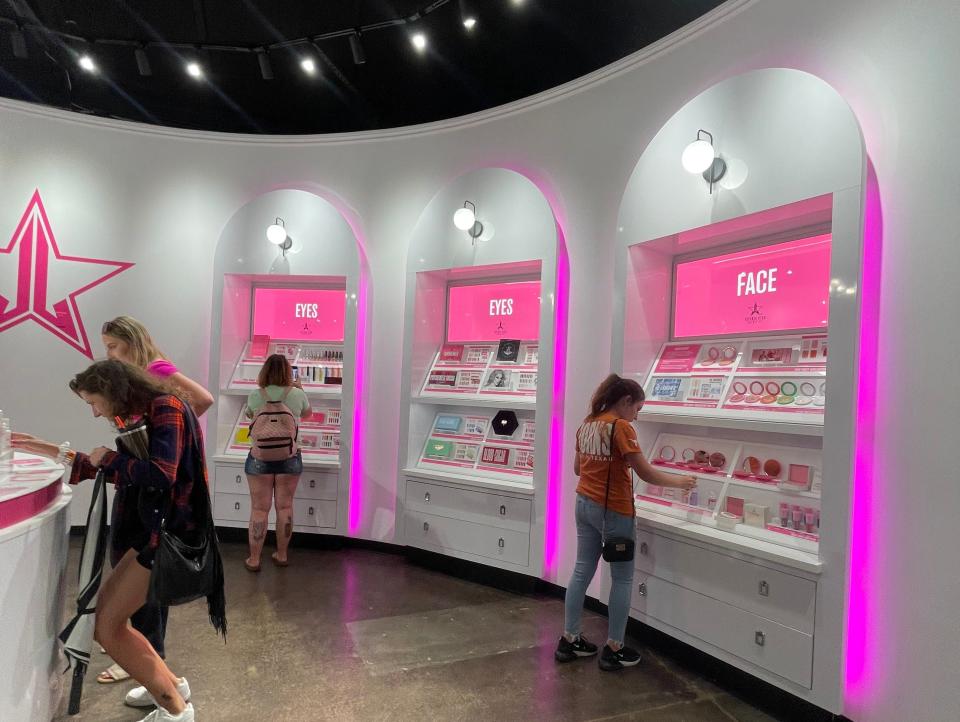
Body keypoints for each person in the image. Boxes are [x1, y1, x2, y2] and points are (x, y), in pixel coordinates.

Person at [13, 360, 221, 721]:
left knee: (107, 626)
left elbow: (159, 474)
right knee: (109, 621)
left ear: (114, 391)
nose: (95, 413)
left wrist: (108, 458)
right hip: (156, 532)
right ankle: (173, 688)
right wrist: (49, 449)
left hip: (168, 534)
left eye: (95, 402)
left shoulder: (164, 408)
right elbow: (121, 471)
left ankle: (175, 711)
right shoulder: (148, 412)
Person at [98, 315, 213, 704]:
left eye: (113, 347)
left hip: (158, 492)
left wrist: (168, 433)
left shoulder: (157, 371)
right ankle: (148, 665)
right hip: (141, 484)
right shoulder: (133, 380)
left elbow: (202, 399)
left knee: (146, 576)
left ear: (131, 342)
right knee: (132, 574)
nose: (109, 354)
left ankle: (151, 663)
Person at [556, 374, 697, 671]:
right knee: (622, 578)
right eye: (637, 409)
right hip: (614, 510)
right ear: (625, 401)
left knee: (581, 571)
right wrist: (681, 482)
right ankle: (614, 648)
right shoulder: (620, 428)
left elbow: (577, 468)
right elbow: (644, 473)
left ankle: (569, 639)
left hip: (584, 504)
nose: (637, 415)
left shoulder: (588, 423)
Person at [243, 354, 312, 571]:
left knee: (259, 509)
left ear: (264, 371)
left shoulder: (256, 394)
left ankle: (254, 559)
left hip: (259, 458)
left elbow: (249, 416)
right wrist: (300, 389)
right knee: (285, 506)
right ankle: (282, 554)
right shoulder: (297, 394)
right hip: (289, 456)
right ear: (287, 372)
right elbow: (307, 414)